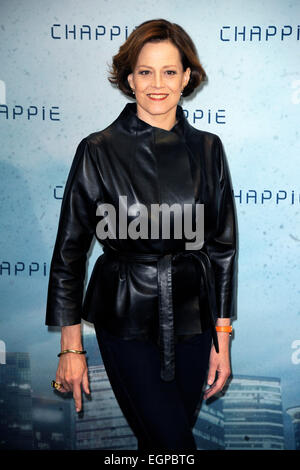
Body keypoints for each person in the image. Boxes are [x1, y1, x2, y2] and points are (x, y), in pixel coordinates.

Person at [46, 18, 238, 451]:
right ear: (129, 78)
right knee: (174, 447)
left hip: (194, 320)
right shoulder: (98, 149)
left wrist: (221, 338)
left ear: (187, 77)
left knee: (158, 448)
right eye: (145, 71)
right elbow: (69, 254)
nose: (157, 84)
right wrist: (71, 347)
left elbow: (222, 249)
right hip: (125, 318)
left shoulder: (209, 149)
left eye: (169, 71)